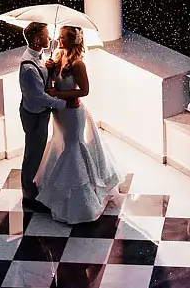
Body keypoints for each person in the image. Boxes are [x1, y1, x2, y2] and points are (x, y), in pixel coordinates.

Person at [35, 25, 122, 223]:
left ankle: (79, 202)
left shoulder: (77, 63)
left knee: (73, 148)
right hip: (58, 112)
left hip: (72, 113)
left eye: (63, 37)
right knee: (59, 144)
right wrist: (48, 70)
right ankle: (56, 191)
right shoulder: (57, 55)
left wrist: (59, 94)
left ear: (74, 40)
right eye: (59, 36)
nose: (59, 39)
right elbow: (50, 86)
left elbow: (84, 91)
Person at [18, 21, 69, 214]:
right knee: (33, 153)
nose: (51, 38)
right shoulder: (29, 69)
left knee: (36, 151)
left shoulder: (38, 56)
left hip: (37, 112)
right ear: (37, 39)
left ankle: (31, 188)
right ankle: (28, 196)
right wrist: (61, 104)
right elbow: (39, 97)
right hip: (35, 115)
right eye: (47, 34)